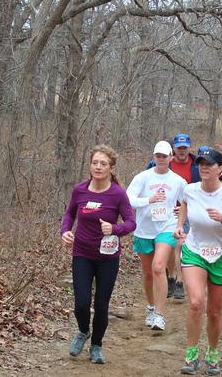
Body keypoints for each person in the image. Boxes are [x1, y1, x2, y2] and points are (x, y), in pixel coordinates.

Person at [174, 148, 222, 375]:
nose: (204, 167)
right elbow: (184, 204)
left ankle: (213, 351)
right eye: (201, 163)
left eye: (209, 164)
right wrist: (180, 225)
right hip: (195, 252)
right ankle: (191, 353)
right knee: (196, 302)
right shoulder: (190, 189)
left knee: (214, 311)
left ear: (220, 169)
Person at [60, 145, 137, 364]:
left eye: (103, 163)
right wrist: (65, 231)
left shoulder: (118, 194)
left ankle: (96, 346)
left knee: (102, 305)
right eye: (95, 162)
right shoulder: (80, 190)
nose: (98, 167)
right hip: (82, 253)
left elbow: (131, 222)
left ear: (111, 168)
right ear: (90, 165)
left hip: (108, 257)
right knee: (82, 303)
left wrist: (115, 229)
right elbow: (69, 214)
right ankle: (83, 332)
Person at [126, 141, 187, 331]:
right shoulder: (143, 177)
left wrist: (181, 213)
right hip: (144, 228)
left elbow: (188, 201)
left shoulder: (177, 181)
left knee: (158, 267)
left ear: (171, 158)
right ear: (154, 157)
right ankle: (151, 307)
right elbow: (128, 199)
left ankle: (160, 315)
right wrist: (149, 200)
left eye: (164, 156)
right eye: (158, 156)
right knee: (147, 272)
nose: (161, 159)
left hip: (166, 227)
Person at [165, 133, 202, 300]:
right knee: (170, 246)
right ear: (174, 148)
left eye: (184, 148)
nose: (182, 151)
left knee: (181, 244)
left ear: (189, 147)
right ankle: (171, 277)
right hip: (166, 211)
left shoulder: (197, 165)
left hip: (189, 210)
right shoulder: (165, 162)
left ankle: (180, 282)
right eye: (179, 148)